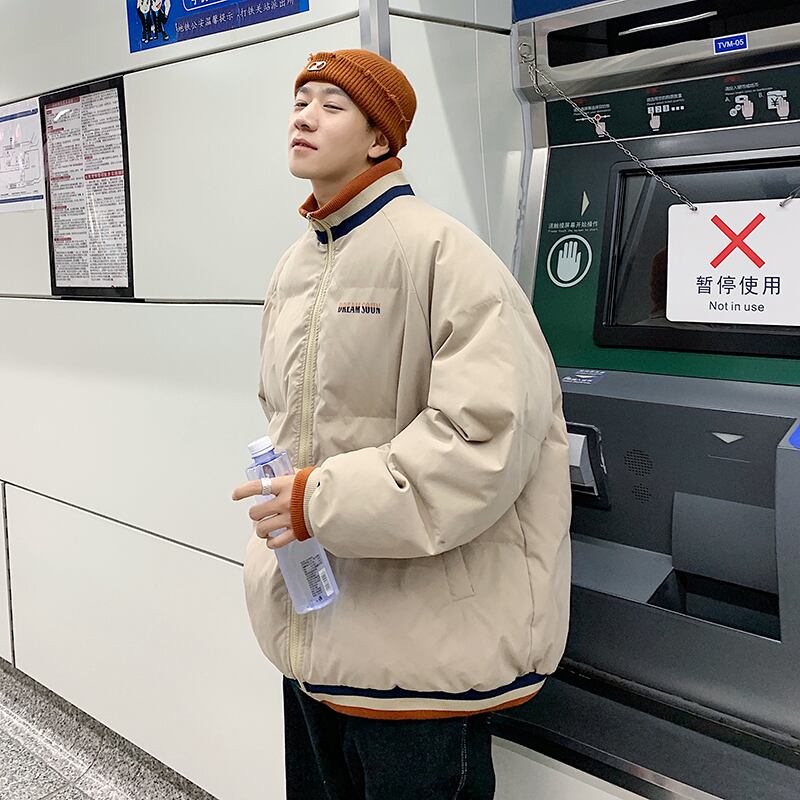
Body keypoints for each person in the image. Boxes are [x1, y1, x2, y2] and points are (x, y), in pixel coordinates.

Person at [232, 49, 571, 800]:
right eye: (300, 100)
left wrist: (316, 500)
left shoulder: (444, 253)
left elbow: (484, 438)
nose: (304, 116)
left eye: (332, 105)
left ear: (381, 138)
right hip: (318, 638)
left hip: (419, 664)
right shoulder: (298, 265)